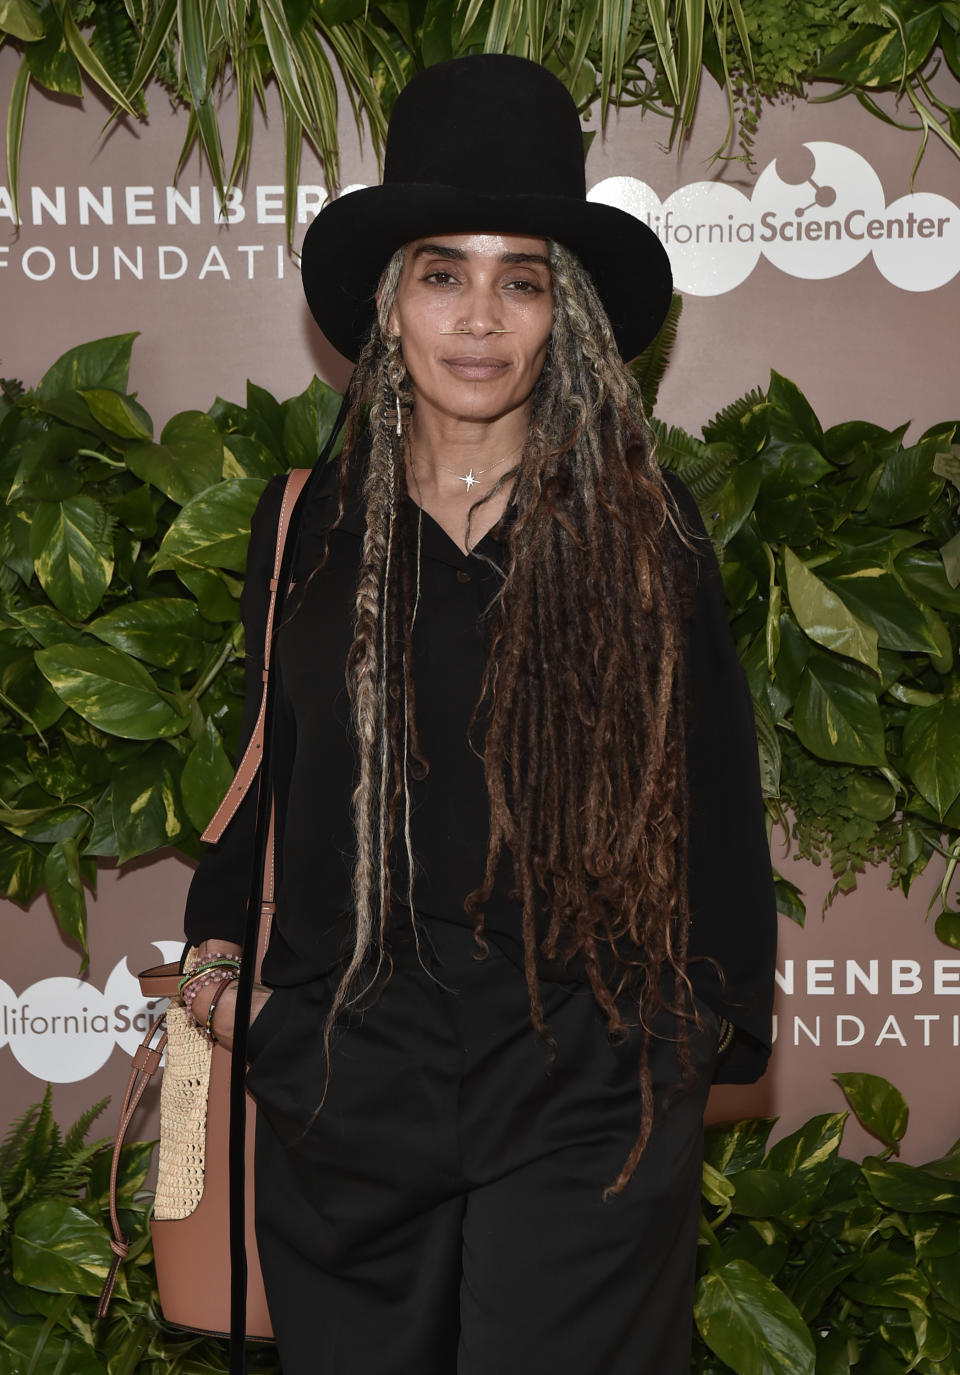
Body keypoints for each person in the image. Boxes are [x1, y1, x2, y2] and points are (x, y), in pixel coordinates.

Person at [182, 54, 777, 1375]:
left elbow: (715, 795)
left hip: (584, 1066)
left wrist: (697, 1033)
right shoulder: (307, 526)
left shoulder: (644, 533)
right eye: (443, 272)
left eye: (521, 280)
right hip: (349, 1053)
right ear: (392, 303)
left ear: (561, 316)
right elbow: (268, 764)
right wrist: (224, 960)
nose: (479, 317)